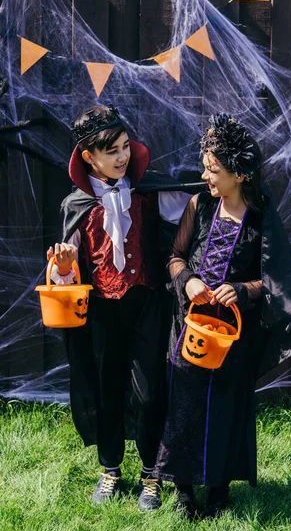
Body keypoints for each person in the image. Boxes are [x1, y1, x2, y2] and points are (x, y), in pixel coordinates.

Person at [153, 113, 291, 519]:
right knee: (185, 406)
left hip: (230, 338)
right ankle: (185, 490)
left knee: (225, 406)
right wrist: (188, 280)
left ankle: (219, 491)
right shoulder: (199, 206)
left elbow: (272, 280)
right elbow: (174, 256)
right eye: (206, 168)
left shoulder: (259, 218)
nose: (206, 177)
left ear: (240, 174)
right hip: (190, 329)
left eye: (214, 170)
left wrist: (242, 291)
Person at [47, 105, 167, 510]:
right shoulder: (75, 206)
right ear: (88, 158)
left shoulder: (149, 194)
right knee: (107, 391)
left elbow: (182, 233)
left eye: (124, 147)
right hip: (101, 312)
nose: (121, 157)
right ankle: (110, 469)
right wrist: (63, 267)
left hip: (146, 302)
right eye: (111, 151)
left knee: (150, 393)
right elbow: (67, 273)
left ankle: (152, 474)